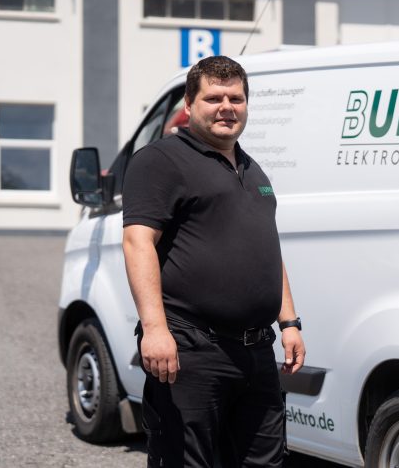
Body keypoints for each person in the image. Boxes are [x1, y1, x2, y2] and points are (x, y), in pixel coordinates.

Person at [122, 55, 305, 467]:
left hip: (256, 350)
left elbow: (267, 250)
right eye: (214, 98)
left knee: (265, 461)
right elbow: (137, 243)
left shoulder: (252, 169)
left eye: (236, 98)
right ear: (189, 104)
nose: (227, 107)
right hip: (191, 349)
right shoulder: (160, 161)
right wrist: (155, 330)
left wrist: (289, 322)